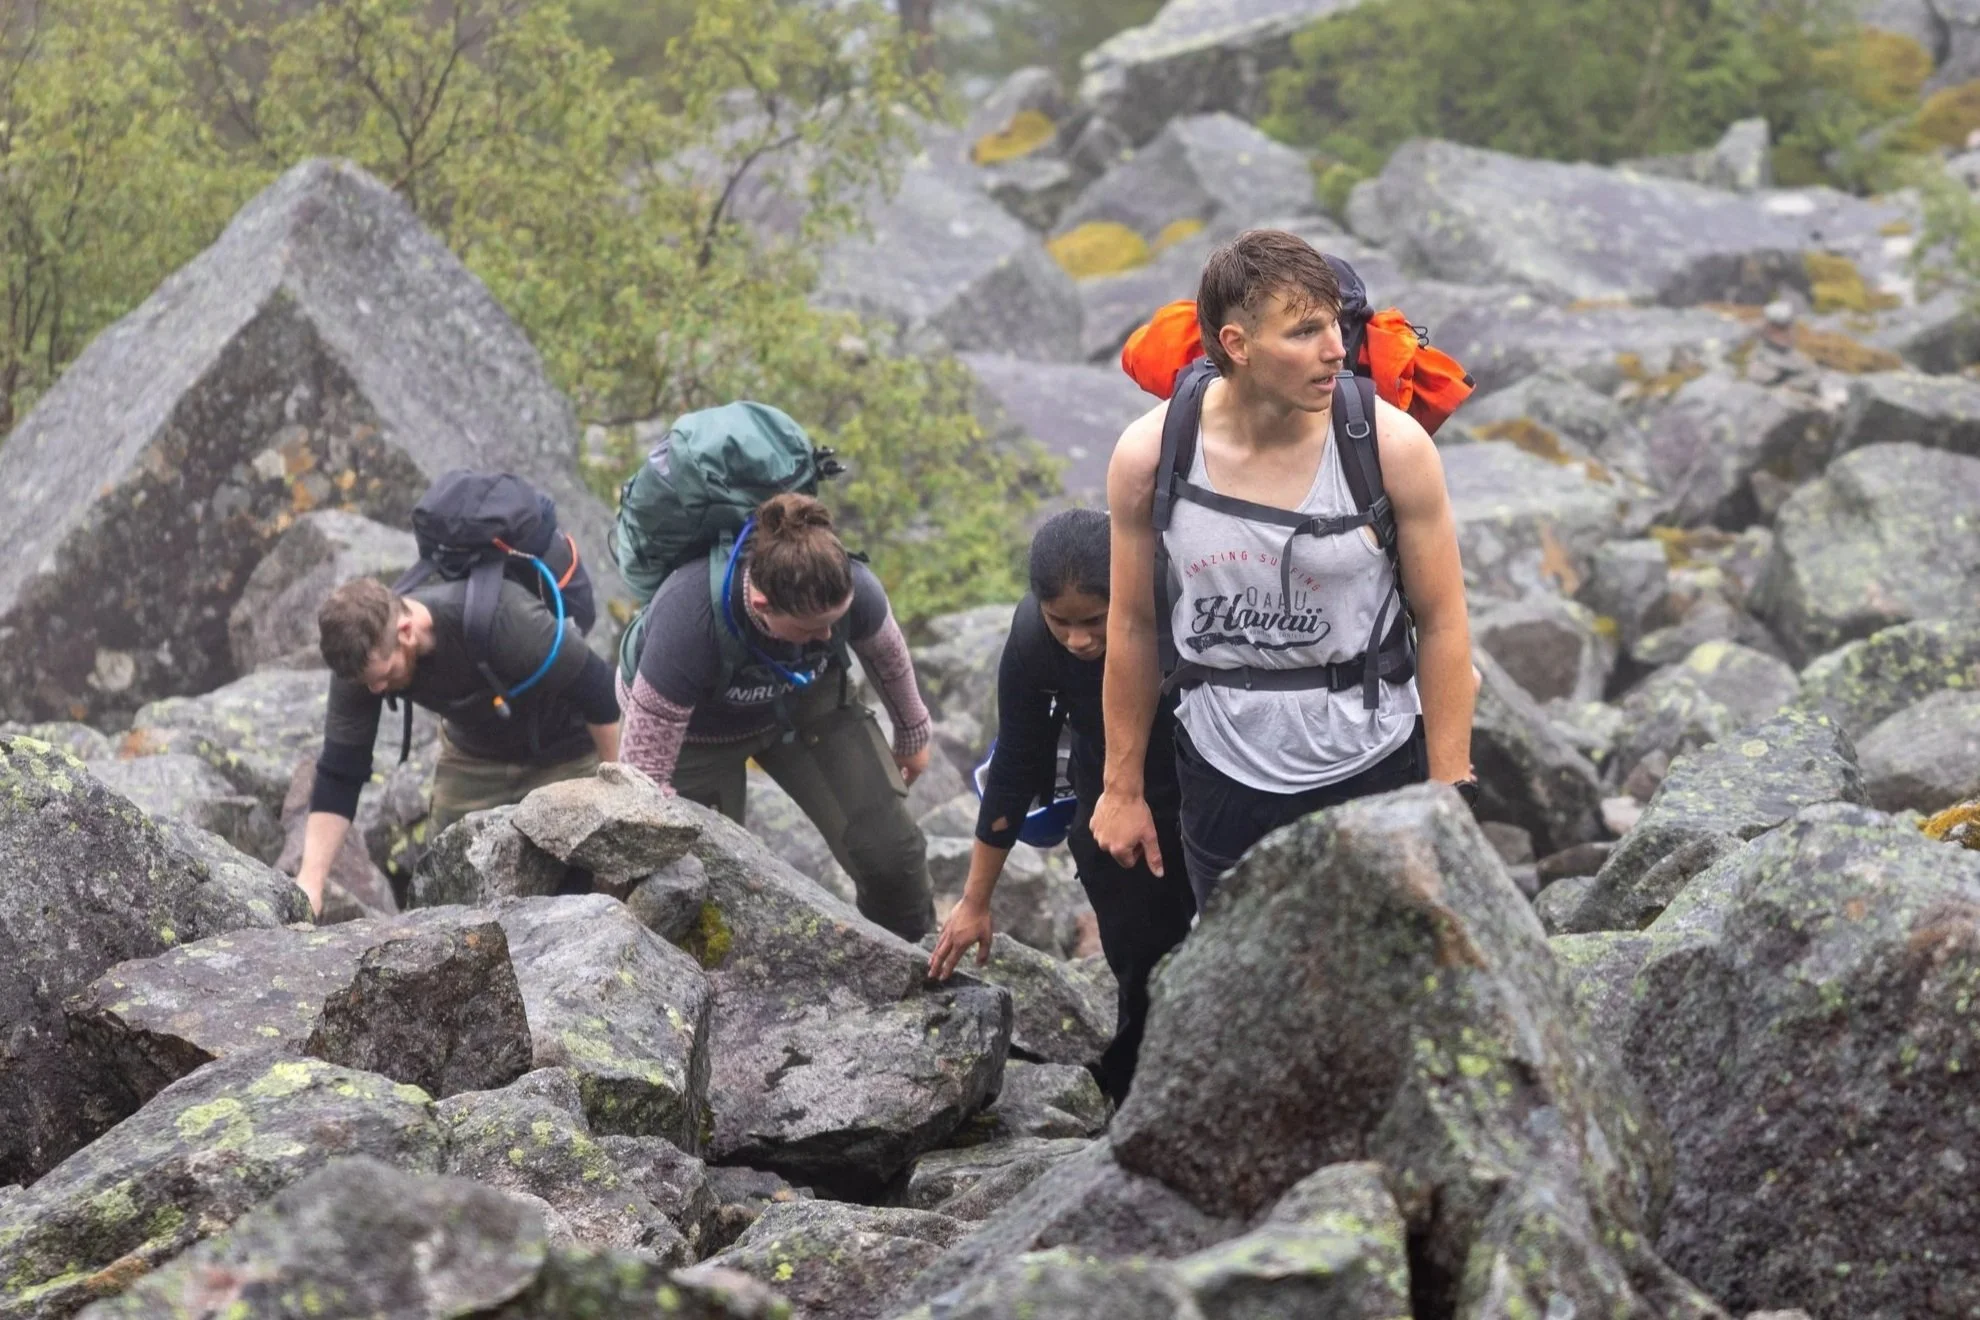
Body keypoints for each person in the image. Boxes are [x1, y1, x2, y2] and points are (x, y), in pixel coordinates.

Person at [1093, 228, 1477, 908]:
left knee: (1380, 984)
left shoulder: (1390, 447)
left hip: (1372, 765)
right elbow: (1130, 627)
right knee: (1246, 993)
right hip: (1221, 774)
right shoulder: (1152, 457)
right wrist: (1120, 789)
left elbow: (1444, 623)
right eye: (1304, 332)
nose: (1334, 351)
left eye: (1334, 325)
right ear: (1236, 344)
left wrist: (1445, 795)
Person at [926, 509, 1197, 1105]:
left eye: (1095, 621)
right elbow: (1016, 764)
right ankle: (1137, 1101)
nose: (1078, 639)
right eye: (1061, 622)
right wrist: (975, 902)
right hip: (1109, 809)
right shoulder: (1032, 643)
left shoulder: (1182, 607)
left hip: (1203, 788)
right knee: (1140, 963)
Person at [617, 492, 936, 940]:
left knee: (892, 856)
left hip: (803, 699)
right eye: (811, 628)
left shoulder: (853, 587)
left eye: (835, 621)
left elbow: (889, 658)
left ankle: (915, 962)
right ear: (763, 602)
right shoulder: (688, 621)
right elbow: (640, 784)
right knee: (697, 889)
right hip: (695, 734)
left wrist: (912, 734)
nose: (828, 634)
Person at [297, 574, 623, 916]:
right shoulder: (361, 664)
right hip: (474, 756)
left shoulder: (504, 619)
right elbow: (340, 771)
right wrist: (310, 884)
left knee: (583, 881)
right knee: (441, 885)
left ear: (406, 631)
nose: (376, 690)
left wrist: (617, 791)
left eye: (384, 676)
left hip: (567, 749)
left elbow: (600, 694)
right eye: (368, 682)